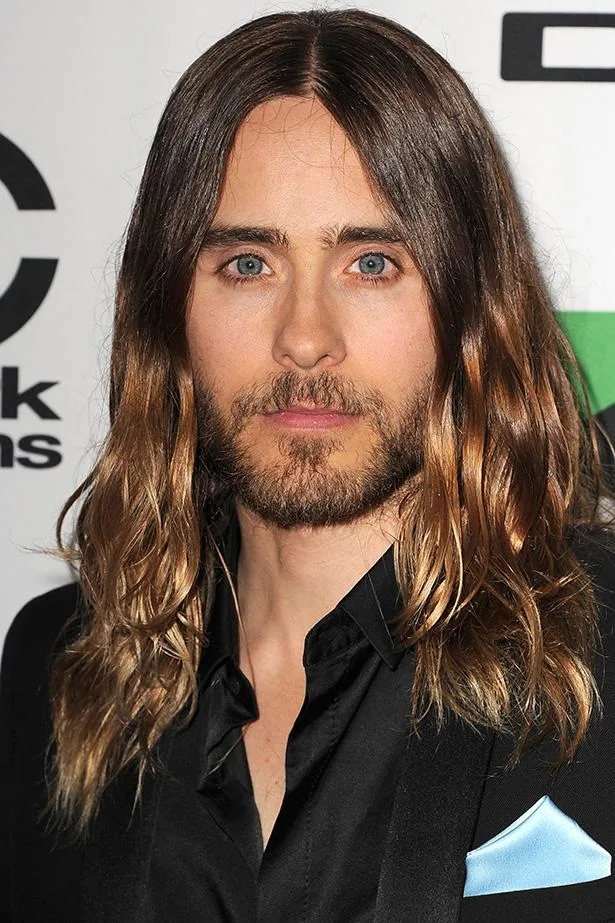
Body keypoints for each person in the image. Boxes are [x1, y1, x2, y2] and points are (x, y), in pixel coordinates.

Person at [1, 8, 614, 923]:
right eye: (247, 263)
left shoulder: (601, 655)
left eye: (372, 262)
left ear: (469, 305)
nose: (304, 339)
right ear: (170, 309)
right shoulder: (57, 664)